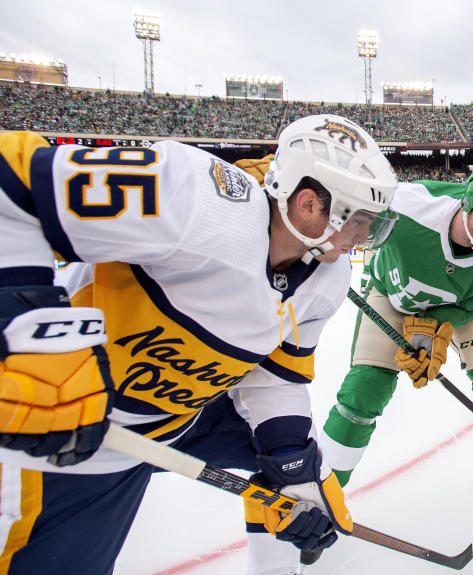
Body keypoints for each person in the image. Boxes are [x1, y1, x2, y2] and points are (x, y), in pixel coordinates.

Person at [0, 114, 398, 575]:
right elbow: (12, 178)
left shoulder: (328, 275)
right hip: (71, 429)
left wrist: (291, 463)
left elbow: (274, 376)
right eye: (361, 220)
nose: (364, 238)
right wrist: (34, 338)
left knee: (303, 470)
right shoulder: (196, 198)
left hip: (182, 418)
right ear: (310, 205)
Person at [315, 161, 473, 490]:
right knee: (364, 390)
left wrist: (431, 330)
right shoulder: (406, 205)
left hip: (456, 307)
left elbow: (468, 309)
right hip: (390, 295)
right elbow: (347, 221)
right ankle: (323, 492)